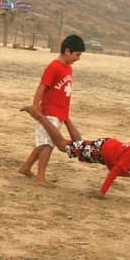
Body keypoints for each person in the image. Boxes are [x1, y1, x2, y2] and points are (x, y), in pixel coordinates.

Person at [24, 106, 130, 201]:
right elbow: (116, 170)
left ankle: (66, 118)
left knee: (78, 145)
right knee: (63, 145)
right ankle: (38, 115)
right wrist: (101, 192)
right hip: (102, 150)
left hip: (107, 148)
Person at [18, 34, 85, 185]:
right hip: (48, 112)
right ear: (67, 51)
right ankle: (40, 177)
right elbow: (42, 86)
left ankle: (26, 167)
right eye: (77, 55)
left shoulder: (68, 68)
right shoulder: (54, 66)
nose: (78, 58)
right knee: (48, 144)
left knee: (44, 143)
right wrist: (36, 107)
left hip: (59, 113)